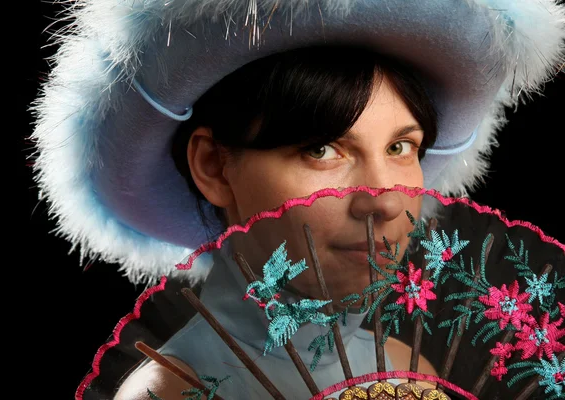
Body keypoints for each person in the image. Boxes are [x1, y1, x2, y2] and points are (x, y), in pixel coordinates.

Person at [29, 1, 565, 399]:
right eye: (322, 148)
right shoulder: (175, 390)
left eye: (401, 147)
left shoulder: (402, 369)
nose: (382, 201)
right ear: (214, 166)